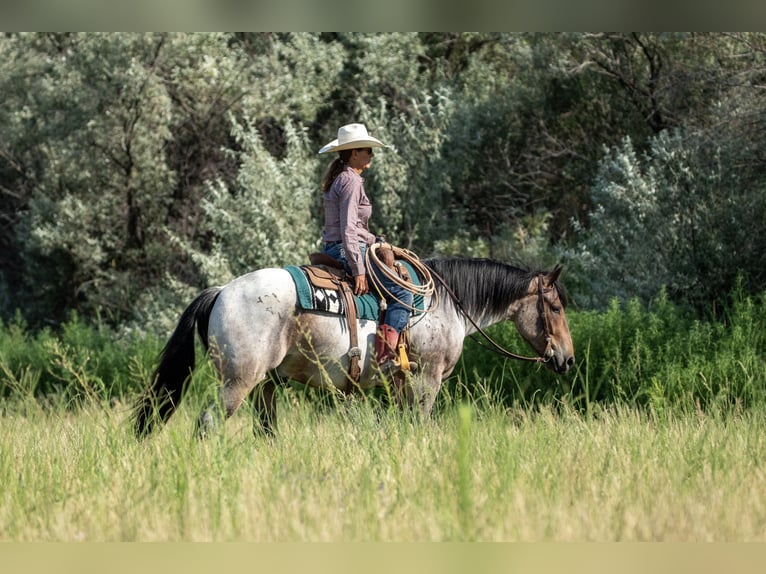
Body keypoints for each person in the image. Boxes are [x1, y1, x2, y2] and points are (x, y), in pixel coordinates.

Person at [318, 123, 414, 374]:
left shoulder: (340, 178)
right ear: (353, 154)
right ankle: (385, 358)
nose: (371, 154)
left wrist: (375, 240)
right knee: (403, 293)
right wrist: (358, 268)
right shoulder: (351, 181)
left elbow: (350, 226)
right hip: (345, 250)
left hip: (332, 246)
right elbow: (349, 229)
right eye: (367, 150)